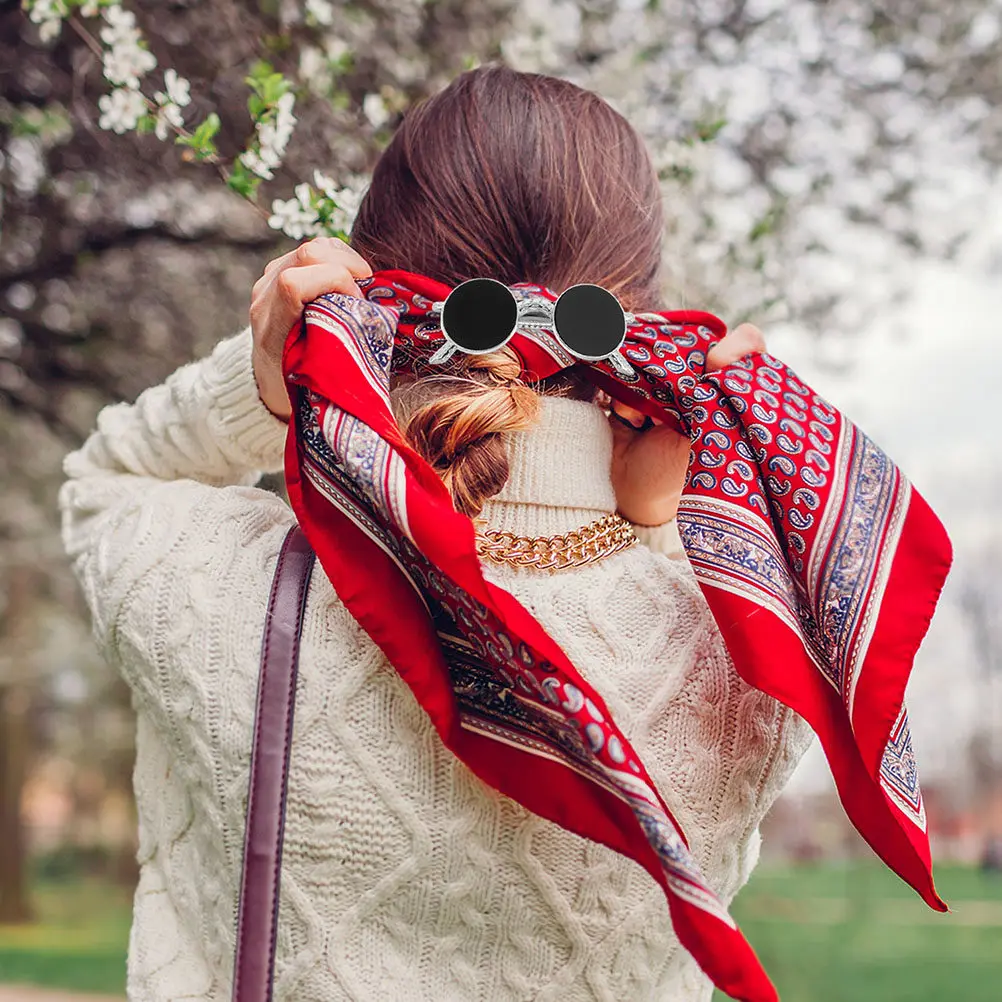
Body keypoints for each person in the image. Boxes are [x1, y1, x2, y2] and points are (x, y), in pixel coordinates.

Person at [59, 64, 816, 1001]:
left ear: (372, 284)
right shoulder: (759, 657)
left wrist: (265, 382)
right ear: (635, 314)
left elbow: (106, 477)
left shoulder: (211, 578)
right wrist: (646, 513)